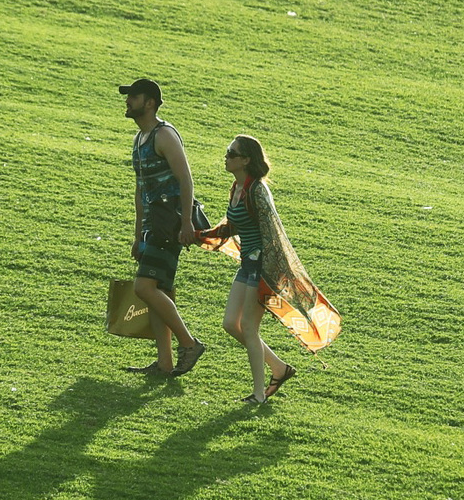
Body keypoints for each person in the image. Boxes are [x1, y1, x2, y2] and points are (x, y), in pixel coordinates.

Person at [185, 135, 339, 403]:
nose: (226, 157)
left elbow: (273, 235)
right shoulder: (237, 188)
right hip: (248, 264)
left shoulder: (257, 191)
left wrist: (271, 275)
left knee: (247, 326)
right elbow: (232, 226)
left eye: (231, 153)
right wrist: (200, 235)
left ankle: (259, 395)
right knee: (230, 324)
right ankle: (279, 368)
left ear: (245, 160)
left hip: (262, 266)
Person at [121, 78, 206, 378]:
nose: (128, 101)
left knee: (144, 287)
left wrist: (185, 222)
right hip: (152, 224)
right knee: (159, 290)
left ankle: (189, 343)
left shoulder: (164, 134)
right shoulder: (140, 140)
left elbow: (186, 179)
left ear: (151, 103)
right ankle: (165, 363)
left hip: (169, 220)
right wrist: (137, 235)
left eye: (134, 96)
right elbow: (140, 190)